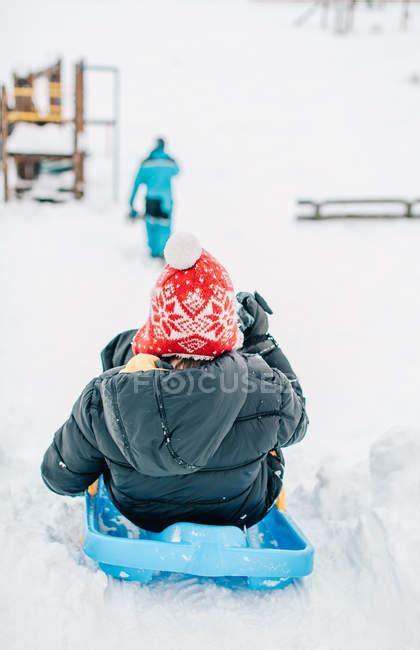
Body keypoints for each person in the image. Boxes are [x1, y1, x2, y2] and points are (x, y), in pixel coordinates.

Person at [41, 232, 308, 532]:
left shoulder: (103, 399)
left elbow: (60, 476)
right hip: (238, 511)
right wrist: (260, 342)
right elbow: (299, 421)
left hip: (139, 514)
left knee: (105, 436)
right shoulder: (267, 390)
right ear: (225, 330)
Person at [128, 138, 179, 257]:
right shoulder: (169, 162)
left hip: (151, 199)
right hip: (166, 200)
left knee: (151, 223)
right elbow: (178, 170)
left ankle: (154, 251)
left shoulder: (146, 163)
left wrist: (131, 203)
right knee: (165, 225)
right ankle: (163, 250)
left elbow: (136, 183)